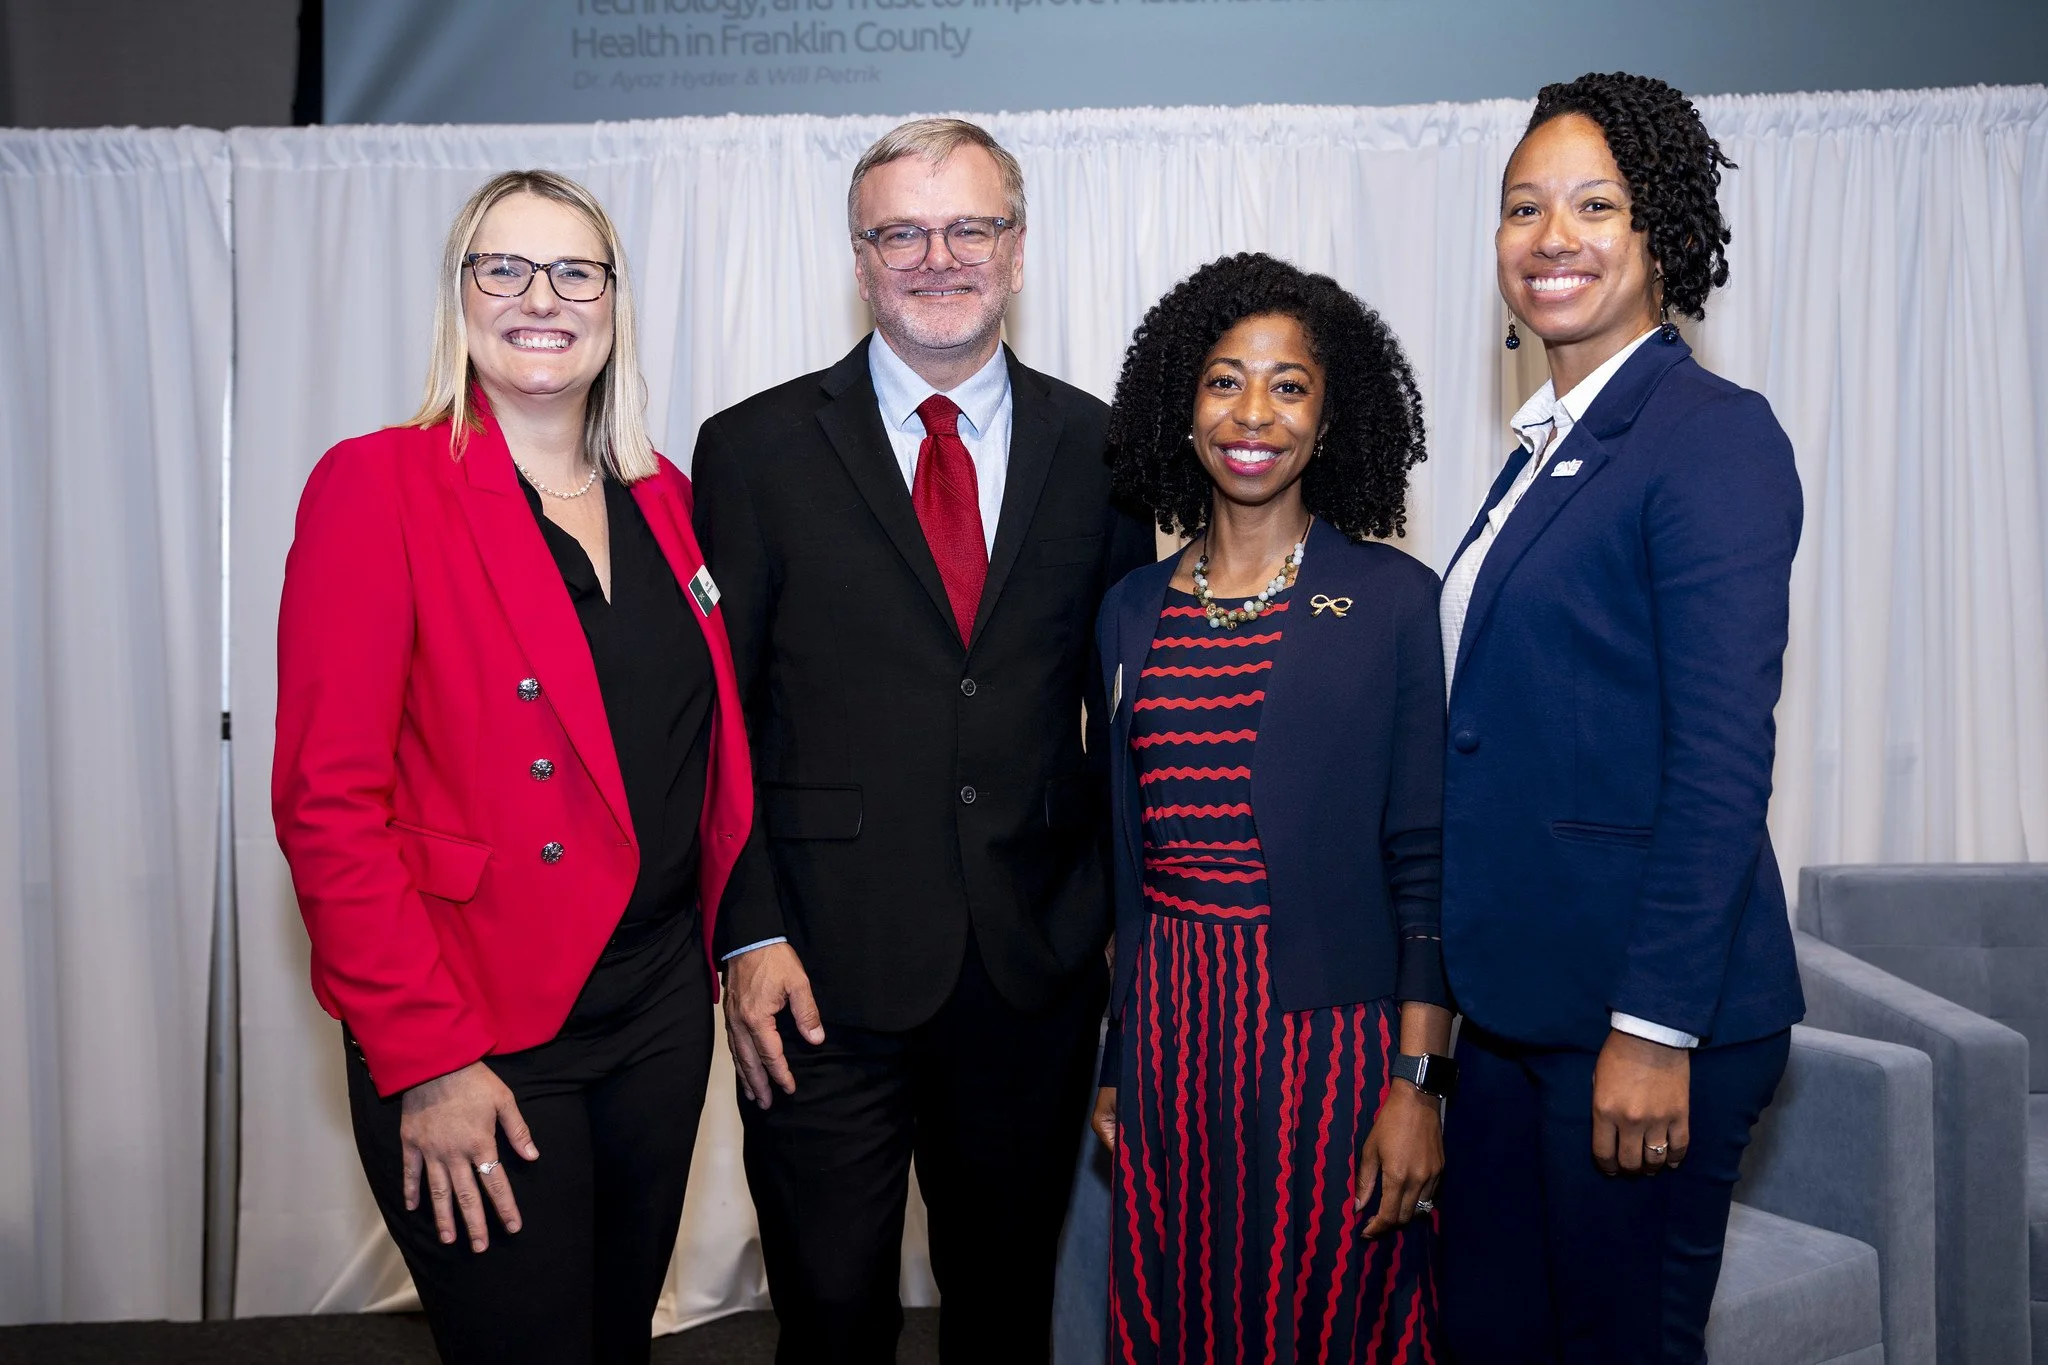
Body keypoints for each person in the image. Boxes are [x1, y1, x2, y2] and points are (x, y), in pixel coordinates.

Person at [690, 118, 1155, 1363]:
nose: (935, 256)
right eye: (901, 230)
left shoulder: (1108, 452)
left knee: (1002, 1314)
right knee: (830, 1315)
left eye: (968, 227)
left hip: (1030, 967)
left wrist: (1115, 933)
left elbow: (1125, 720)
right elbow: (716, 723)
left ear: (1016, 246)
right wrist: (746, 932)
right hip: (815, 975)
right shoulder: (752, 450)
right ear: (859, 257)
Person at [272, 170, 753, 1365]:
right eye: (505, 268)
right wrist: (426, 1060)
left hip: (651, 1016)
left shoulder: (668, 500)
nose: (541, 298)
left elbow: (699, 757)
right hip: (474, 1023)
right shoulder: (376, 484)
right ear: (462, 296)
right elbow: (326, 805)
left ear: (612, 301)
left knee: (614, 1344)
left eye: (574, 271)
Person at [1435, 72, 1806, 1363]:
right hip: (1519, 1009)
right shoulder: (1548, 443)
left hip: (1641, 1017)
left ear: (1662, 234)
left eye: (1595, 205)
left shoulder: (1709, 437)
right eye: (1524, 207)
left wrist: (1655, 1031)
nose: (1553, 237)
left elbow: (1719, 761)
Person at [1088, 252, 1452, 1364]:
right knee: (1178, 1314)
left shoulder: (1391, 600)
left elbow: (1424, 865)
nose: (1252, 413)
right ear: (1178, 405)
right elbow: (1126, 858)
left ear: (1331, 417)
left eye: (1287, 385)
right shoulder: (1130, 610)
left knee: (1329, 1317)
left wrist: (1416, 1086)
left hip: (1329, 1044)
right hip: (1167, 1035)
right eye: (1222, 380)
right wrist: (1113, 1060)